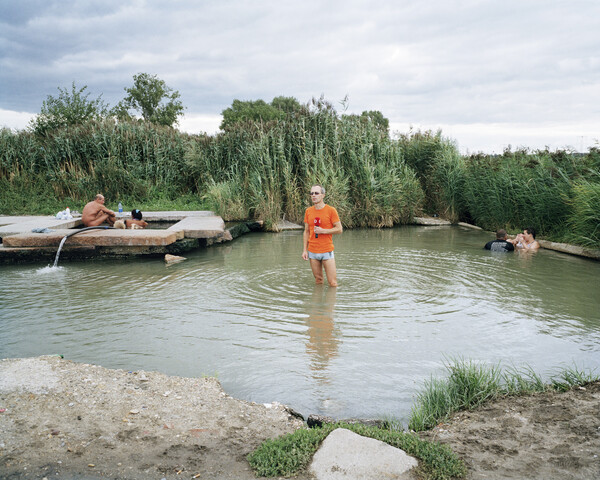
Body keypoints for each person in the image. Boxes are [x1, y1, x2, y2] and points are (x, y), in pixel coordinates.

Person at [302, 185, 343, 287]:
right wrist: (304, 250)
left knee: (333, 283)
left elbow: (339, 229)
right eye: (311, 193)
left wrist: (323, 231)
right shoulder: (308, 211)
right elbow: (306, 231)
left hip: (327, 251)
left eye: (316, 193)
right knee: (318, 281)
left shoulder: (331, 210)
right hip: (312, 251)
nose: (313, 196)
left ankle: (331, 302)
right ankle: (317, 301)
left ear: (323, 195)